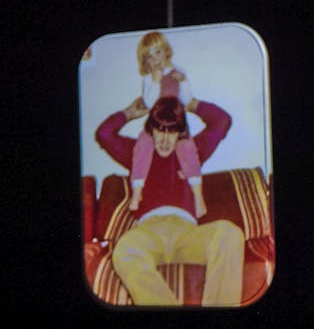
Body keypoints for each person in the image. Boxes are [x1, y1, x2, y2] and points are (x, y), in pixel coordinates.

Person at [96, 95, 244, 306]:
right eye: (159, 131)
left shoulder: (193, 152)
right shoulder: (137, 152)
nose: (165, 140)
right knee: (124, 249)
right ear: (151, 130)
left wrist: (191, 103)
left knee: (230, 233)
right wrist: (129, 113)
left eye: (172, 131)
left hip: (188, 233)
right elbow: (103, 134)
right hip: (149, 232)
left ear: (180, 133)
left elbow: (222, 121)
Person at [129, 31, 206, 219]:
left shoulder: (177, 72)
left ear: (166, 52)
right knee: (142, 148)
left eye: (157, 53)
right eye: (149, 56)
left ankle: (198, 197)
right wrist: (155, 82)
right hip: (155, 122)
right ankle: (137, 193)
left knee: (189, 152)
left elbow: (187, 99)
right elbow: (148, 104)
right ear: (145, 62)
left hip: (177, 123)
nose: (154, 59)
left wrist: (184, 81)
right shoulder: (148, 79)